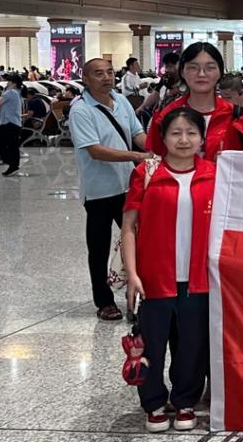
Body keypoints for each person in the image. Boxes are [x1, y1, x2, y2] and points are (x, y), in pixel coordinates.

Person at [122, 107, 213, 433]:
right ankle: (154, 404)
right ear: (162, 138)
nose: (184, 140)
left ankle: (185, 401)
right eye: (176, 133)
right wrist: (132, 275)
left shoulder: (214, 175)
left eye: (191, 133)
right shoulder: (146, 173)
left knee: (192, 345)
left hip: (199, 280)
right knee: (151, 345)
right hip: (154, 279)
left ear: (202, 138)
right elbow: (128, 227)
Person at [69, 58, 152, 321]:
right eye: (98, 73)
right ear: (85, 79)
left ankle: (139, 296)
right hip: (98, 192)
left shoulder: (121, 101)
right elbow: (95, 150)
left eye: (109, 72)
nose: (106, 78)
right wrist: (136, 156)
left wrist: (159, 147)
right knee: (99, 248)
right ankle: (104, 301)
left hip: (128, 186)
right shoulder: (81, 110)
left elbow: (137, 133)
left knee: (139, 242)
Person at [145, 43, 233, 162]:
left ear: (220, 72)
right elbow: (155, 160)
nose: (201, 74)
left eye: (210, 68)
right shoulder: (167, 115)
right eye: (193, 68)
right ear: (182, 72)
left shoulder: (234, 115)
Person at [0, 73, 24, 177]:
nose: (7, 83)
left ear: (13, 83)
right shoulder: (18, 93)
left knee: (1, 146)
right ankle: (13, 166)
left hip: (8, 123)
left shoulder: (10, 92)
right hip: (15, 122)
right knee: (13, 147)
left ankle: (12, 164)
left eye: (8, 82)